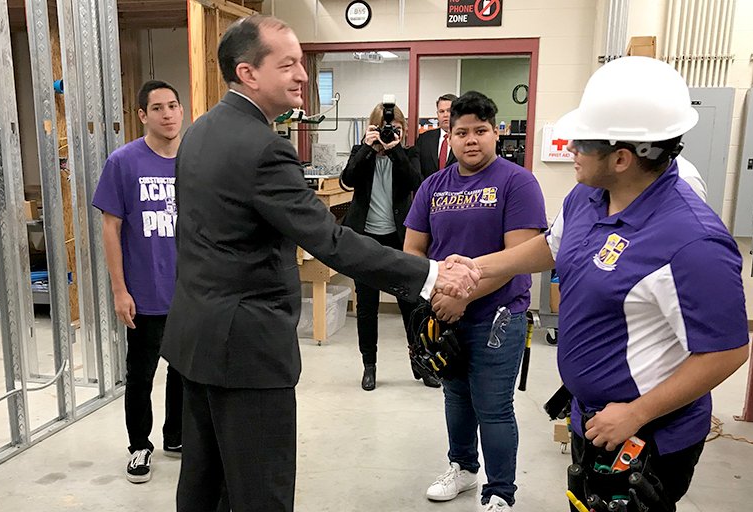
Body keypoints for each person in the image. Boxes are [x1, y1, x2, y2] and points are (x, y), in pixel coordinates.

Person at [161, 15, 479, 512]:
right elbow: (331, 241)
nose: (303, 75)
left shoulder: (200, 131)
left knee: (204, 486)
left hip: (197, 339)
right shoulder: (265, 147)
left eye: (302, 64)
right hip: (246, 350)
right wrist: (432, 273)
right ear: (248, 73)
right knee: (260, 491)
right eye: (287, 64)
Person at [459, 57, 749, 511]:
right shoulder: (587, 196)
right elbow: (552, 249)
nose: (569, 145)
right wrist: (479, 268)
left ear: (621, 158)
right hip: (593, 420)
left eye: (582, 142)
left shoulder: (692, 241)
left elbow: (728, 350)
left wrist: (637, 412)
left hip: (647, 436)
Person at [405, 91, 547, 512]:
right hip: (443, 313)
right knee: (456, 398)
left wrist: (462, 298)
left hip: (497, 315)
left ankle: (500, 492)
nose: (471, 140)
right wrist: (437, 297)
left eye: (481, 131)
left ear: (496, 134)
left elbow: (516, 256)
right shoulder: (433, 185)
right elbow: (412, 250)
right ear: (449, 136)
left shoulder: (517, 182)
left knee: (494, 407)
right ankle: (464, 469)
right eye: (461, 131)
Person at [92, 80, 185, 483]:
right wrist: (119, 289)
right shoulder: (124, 161)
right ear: (143, 115)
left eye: (173, 106)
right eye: (158, 108)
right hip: (145, 292)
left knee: (185, 371)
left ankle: (178, 437)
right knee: (141, 375)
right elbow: (110, 228)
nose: (168, 114)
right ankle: (139, 447)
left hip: (188, 291)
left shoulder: (193, 161)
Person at [340, 102, 442, 390]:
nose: (389, 134)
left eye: (396, 130)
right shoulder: (363, 154)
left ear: (404, 130)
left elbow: (416, 182)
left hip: (399, 239)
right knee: (366, 307)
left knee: (411, 304)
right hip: (365, 239)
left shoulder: (409, 153)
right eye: (385, 129)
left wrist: (395, 149)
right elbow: (348, 180)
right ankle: (369, 366)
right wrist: (367, 149)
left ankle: (420, 363)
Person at [415, 93, 458, 179]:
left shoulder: (465, 139)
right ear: (437, 114)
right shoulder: (424, 139)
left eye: (449, 111)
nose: (445, 115)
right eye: (441, 111)